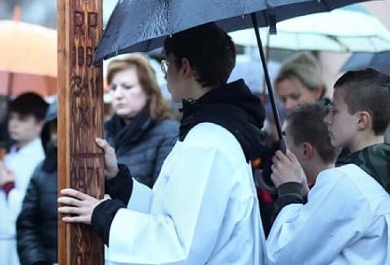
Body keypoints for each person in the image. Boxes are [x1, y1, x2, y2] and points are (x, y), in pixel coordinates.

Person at [57, 23, 267, 264]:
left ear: (185, 67)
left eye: (167, 64)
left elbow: (179, 248)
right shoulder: (206, 133)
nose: (166, 73)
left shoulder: (208, 144)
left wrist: (104, 215)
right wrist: (119, 182)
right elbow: (171, 211)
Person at [266, 68, 390, 264]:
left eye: (335, 111)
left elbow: (283, 256)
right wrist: (308, 195)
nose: (327, 120)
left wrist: (289, 191)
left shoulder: (345, 181)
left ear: (361, 120)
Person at [0, 92, 48, 265]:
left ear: (40, 124)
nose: (13, 124)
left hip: (22, 245)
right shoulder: (9, 156)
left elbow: (37, 210)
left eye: (22, 119)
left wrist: (9, 187)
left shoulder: (42, 159)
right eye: (12, 117)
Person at [104, 54, 177, 188]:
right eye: (113, 88)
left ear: (148, 91)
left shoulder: (169, 133)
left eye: (127, 87)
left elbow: (161, 197)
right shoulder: (103, 132)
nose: (118, 95)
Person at [271, 100, 339, 218]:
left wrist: (289, 191)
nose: (281, 151)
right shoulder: (339, 189)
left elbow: (287, 233)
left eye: (285, 142)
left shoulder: (331, 200)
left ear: (305, 151)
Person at [16, 101, 58, 265]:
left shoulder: (100, 168)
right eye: (55, 127)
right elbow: (27, 226)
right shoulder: (41, 172)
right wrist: (37, 262)